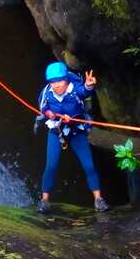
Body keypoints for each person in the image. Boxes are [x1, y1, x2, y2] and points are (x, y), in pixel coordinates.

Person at [34, 61, 110, 213]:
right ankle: (44, 200)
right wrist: (50, 114)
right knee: (51, 166)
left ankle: (98, 199)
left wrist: (89, 85)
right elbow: (43, 107)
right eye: (53, 82)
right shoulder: (47, 93)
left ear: (66, 79)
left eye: (60, 81)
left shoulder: (74, 89)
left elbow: (85, 92)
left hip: (76, 131)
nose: (57, 85)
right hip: (57, 131)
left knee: (88, 165)